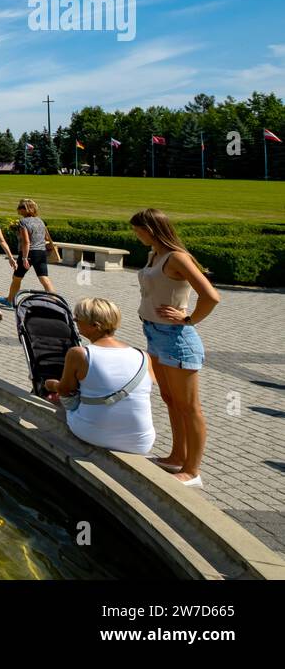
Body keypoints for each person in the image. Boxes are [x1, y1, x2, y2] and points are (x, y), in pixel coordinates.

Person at [131, 208, 220, 486]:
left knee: (190, 407)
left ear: (152, 229)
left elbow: (211, 296)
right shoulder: (154, 254)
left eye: (138, 230)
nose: (136, 234)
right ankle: (176, 456)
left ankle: (192, 471)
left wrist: (189, 318)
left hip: (176, 337)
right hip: (154, 334)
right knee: (171, 400)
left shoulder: (176, 257)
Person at [45, 297, 156, 456]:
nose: (74, 322)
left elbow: (65, 391)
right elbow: (148, 386)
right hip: (141, 441)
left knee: (60, 403)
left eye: (77, 319)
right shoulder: (143, 356)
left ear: (95, 326)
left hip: (93, 433)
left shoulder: (80, 353)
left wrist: (52, 385)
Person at [1, 198, 55, 308]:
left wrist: (25, 258)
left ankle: (10, 300)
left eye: (20, 207)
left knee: (17, 277)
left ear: (27, 209)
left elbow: (26, 242)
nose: (18, 209)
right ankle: (55, 301)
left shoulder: (23, 222)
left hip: (29, 253)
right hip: (41, 252)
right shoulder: (40, 221)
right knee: (44, 277)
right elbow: (46, 237)